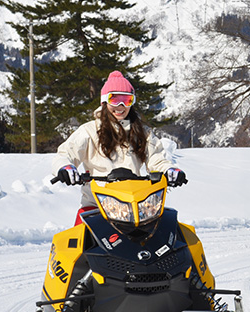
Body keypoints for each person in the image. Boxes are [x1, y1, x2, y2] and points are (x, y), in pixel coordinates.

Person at [52, 70, 184, 224]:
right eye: (115, 100)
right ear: (104, 102)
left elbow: (156, 159)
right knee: (78, 241)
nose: (121, 106)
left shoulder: (141, 132)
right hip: (98, 204)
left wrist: (169, 170)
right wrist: (66, 168)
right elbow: (65, 153)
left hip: (135, 205)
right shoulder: (89, 131)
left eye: (127, 100)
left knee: (166, 232)